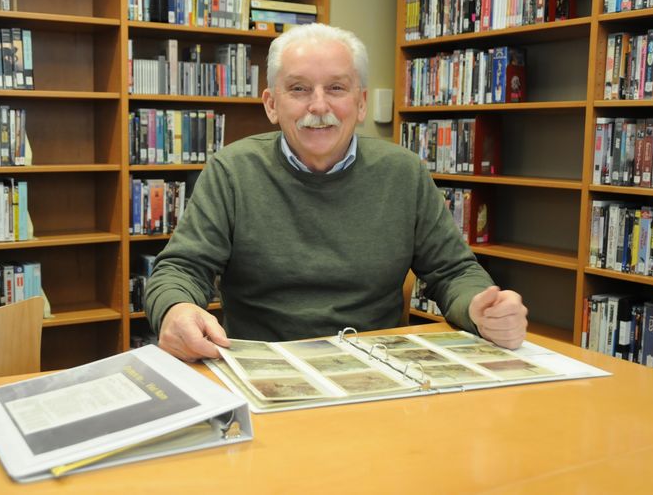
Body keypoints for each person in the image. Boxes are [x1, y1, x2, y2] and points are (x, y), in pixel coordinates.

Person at [145, 23, 528, 361]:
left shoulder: (403, 172)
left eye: (336, 88)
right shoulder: (231, 171)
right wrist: (175, 309)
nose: (318, 105)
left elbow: (453, 270)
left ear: (360, 103)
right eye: (298, 89)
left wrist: (481, 308)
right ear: (271, 104)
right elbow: (181, 268)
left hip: (378, 366)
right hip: (265, 366)